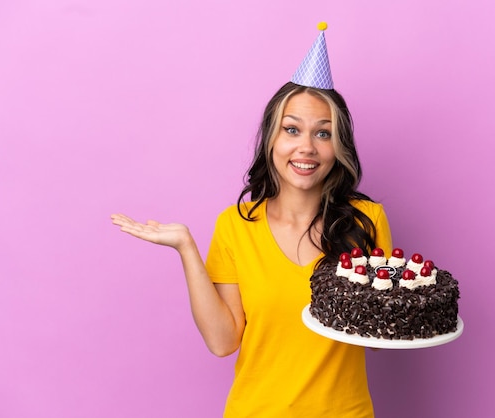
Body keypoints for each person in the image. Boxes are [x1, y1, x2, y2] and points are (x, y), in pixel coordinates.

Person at [111, 23, 392, 417]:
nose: (306, 147)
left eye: (323, 134)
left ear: (339, 146)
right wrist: (187, 250)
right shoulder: (235, 226)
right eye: (291, 129)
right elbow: (223, 342)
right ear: (272, 139)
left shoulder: (367, 220)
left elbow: (378, 337)